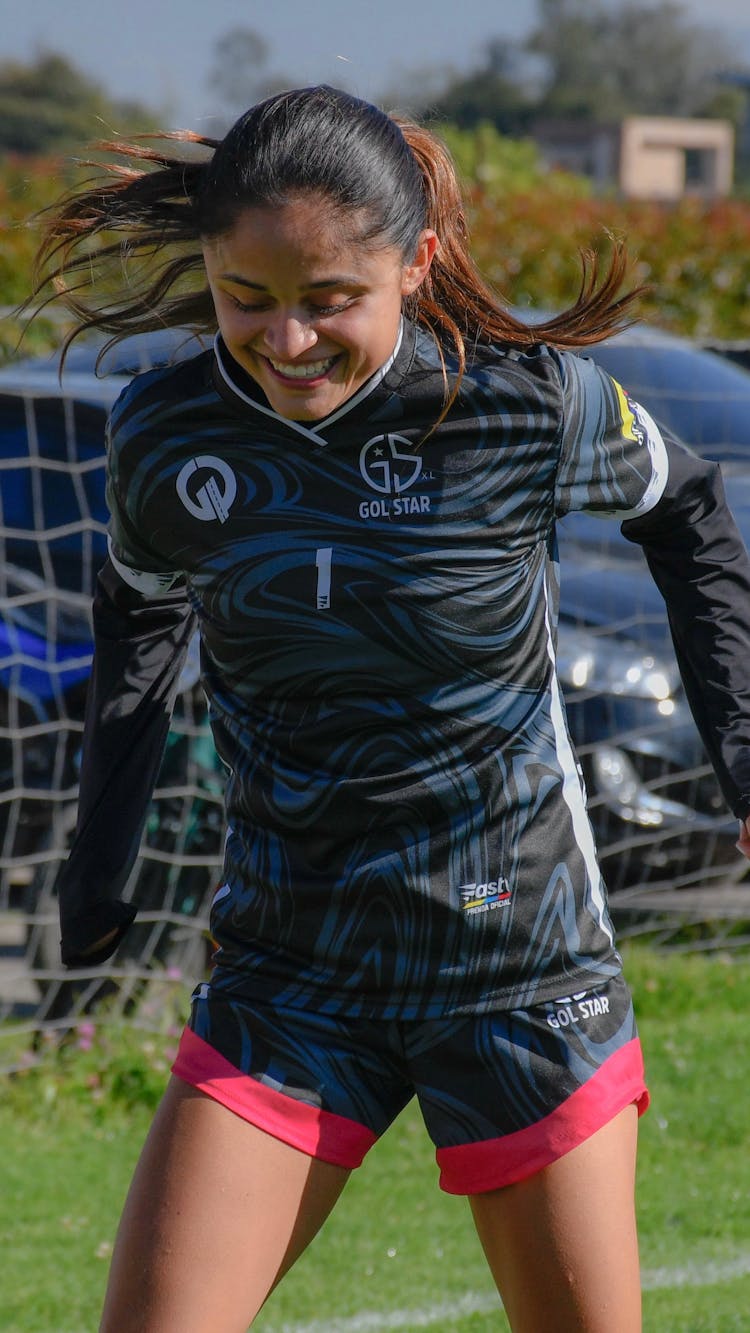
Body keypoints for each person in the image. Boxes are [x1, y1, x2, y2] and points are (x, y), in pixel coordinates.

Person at [31, 85, 750, 1332]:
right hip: (289, 966)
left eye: (328, 302)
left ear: (415, 264)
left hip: (517, 967)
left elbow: (688, 512)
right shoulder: (166, 432)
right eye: (245, 297)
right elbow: (138, 615)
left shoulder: (528, 404)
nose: (287, 339)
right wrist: (105, 856)